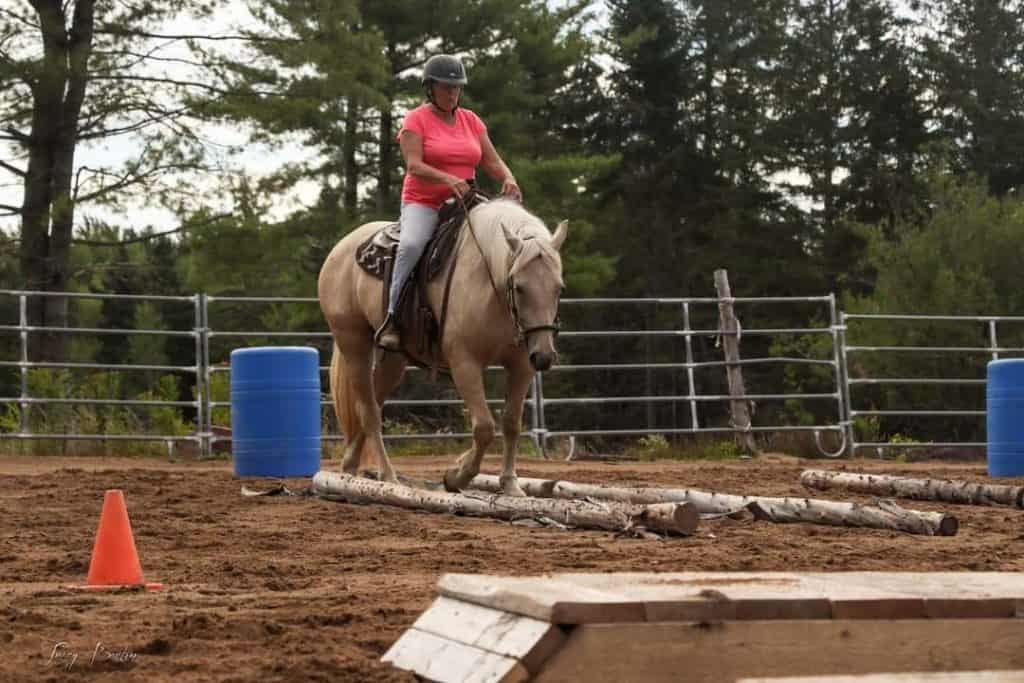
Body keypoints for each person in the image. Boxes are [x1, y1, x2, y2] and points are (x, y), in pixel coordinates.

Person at [375, 54, 522, 351]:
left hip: (465, 201)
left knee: (500, 241)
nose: (453, 93)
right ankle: (392, 317)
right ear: (430, 88)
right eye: (446, 87)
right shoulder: (416, 119)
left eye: (457, 87)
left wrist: (509, 177)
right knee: (412, 245)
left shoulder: (471, 120)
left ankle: (513, 320)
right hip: (424, 202)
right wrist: (447, 179)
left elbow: (492, 161)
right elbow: (414, 165)